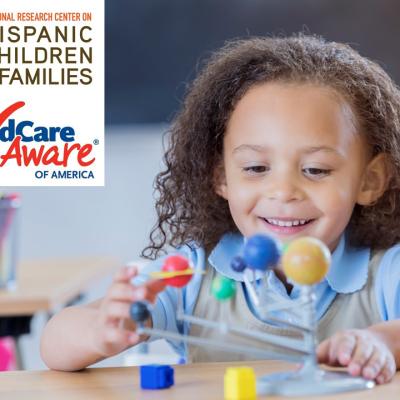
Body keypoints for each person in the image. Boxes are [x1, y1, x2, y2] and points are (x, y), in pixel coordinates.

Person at [41, 34, 400, 383]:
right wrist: (100, 331)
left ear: (370, 180)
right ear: (221, 176)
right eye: (256, 168)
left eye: (316, 170)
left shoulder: (386, 275)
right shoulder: (193, 276)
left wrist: (382, 341)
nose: (283, 191)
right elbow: (54, 342)